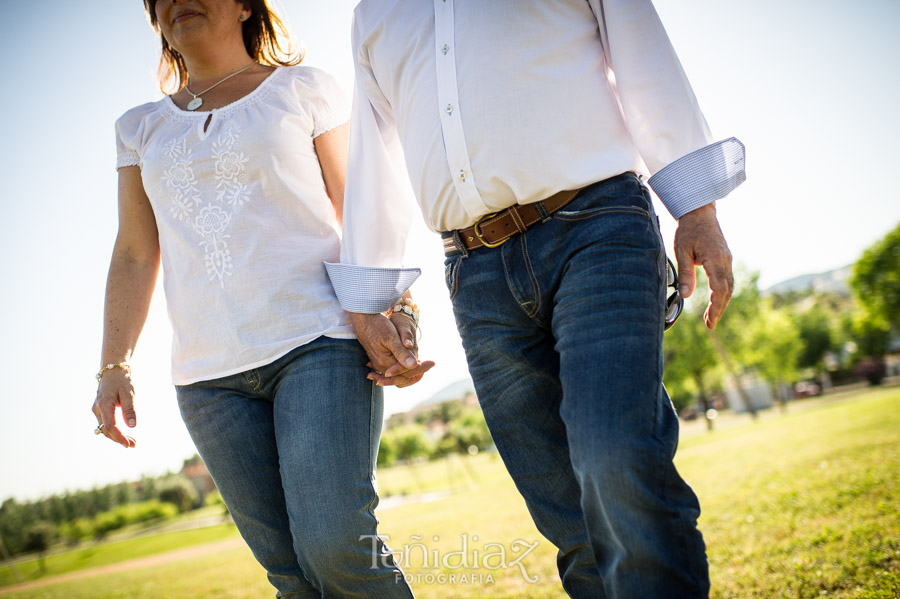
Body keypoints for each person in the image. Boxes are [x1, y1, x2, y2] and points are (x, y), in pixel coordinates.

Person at [325, 1, 746, 597]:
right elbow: (376, 158)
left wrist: (697, 208)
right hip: (474, 271)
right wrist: (372, 300)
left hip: (597, 229)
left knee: (616, 455)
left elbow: (643, 55)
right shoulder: (376, 15)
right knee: (565, 509)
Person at [91, 1, 430, 596]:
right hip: (208, 379)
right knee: (290, 577)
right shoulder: (138, 128)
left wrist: (395, 309)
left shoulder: (302, 90)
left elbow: (361, 206)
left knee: (335, 545)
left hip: (317, 343)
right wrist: (113, 365)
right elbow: (135, 254)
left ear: (246, 5)